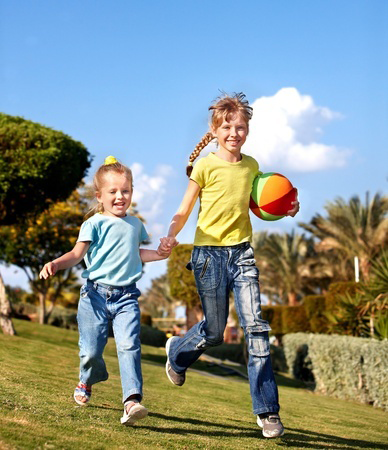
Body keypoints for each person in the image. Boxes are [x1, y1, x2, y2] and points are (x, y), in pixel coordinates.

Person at [160, 93, 299, 438]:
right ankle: (177, 353)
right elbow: (184, 208)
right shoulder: (205, 166)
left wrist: (287, 208)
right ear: (215, 129)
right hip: (208, 256)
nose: (234, 132)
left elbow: (263, 202)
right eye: (227, 127)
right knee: (214, 332)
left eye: (240, 127)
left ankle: (267, 411)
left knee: (256, 328)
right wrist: (171, 235)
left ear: (247, 130)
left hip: (242, 254)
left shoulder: (252, 166)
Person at [39, 156, 171, 426]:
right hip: (95, 296)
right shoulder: (94, 223)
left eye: (126, 190)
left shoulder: (135, 225)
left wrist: (159, 253)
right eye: (113, 192)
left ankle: (131, 401)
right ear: (100, 196)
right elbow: (77, 255)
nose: (120, 196)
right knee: (90, 351)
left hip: (127, 297)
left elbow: (135, 254)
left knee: (129, 346)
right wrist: (55, 263)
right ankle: (86, 380)